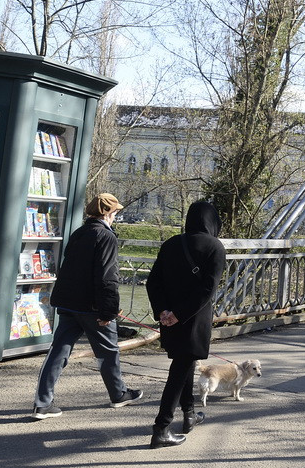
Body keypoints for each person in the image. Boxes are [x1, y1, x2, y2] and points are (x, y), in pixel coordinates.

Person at [32, 192, 142, 420]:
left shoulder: (79, 233)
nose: (116, 216)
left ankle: (42, 403)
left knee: (58, 352)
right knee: (108, 351)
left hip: (68, 303)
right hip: (92, 307)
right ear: (108, 213)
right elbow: (107, 276)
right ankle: (118, 394)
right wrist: (109, 310)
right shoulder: (106, 236)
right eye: (115, 212)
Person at [146, 200, 227, 449]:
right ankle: (161, 428)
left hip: (169, 318)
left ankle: (189, 414)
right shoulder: (215, 247)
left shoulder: (171, 243)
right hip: (194, 318)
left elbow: (153, 282)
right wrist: (180, 314)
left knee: (186, 364)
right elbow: (207, 290)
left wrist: (164, 311)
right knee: (180, 370)